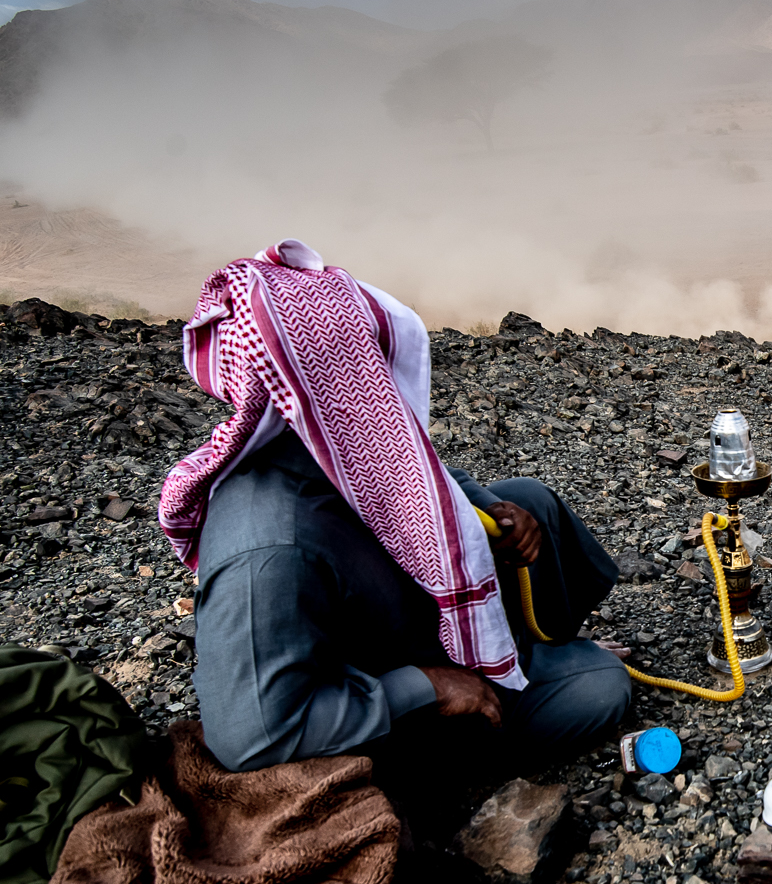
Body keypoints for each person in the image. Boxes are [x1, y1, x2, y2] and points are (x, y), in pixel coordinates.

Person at [158, 239, 630, 785]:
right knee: (604, 684)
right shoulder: (266, 552)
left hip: (405, 614)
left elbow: (411, 475)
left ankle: (535, 648)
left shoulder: (331, 442)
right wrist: (427, 688)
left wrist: (485, 509)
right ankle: (526, 683)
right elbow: (252, 736)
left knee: (530, 501)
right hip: (392, 692)